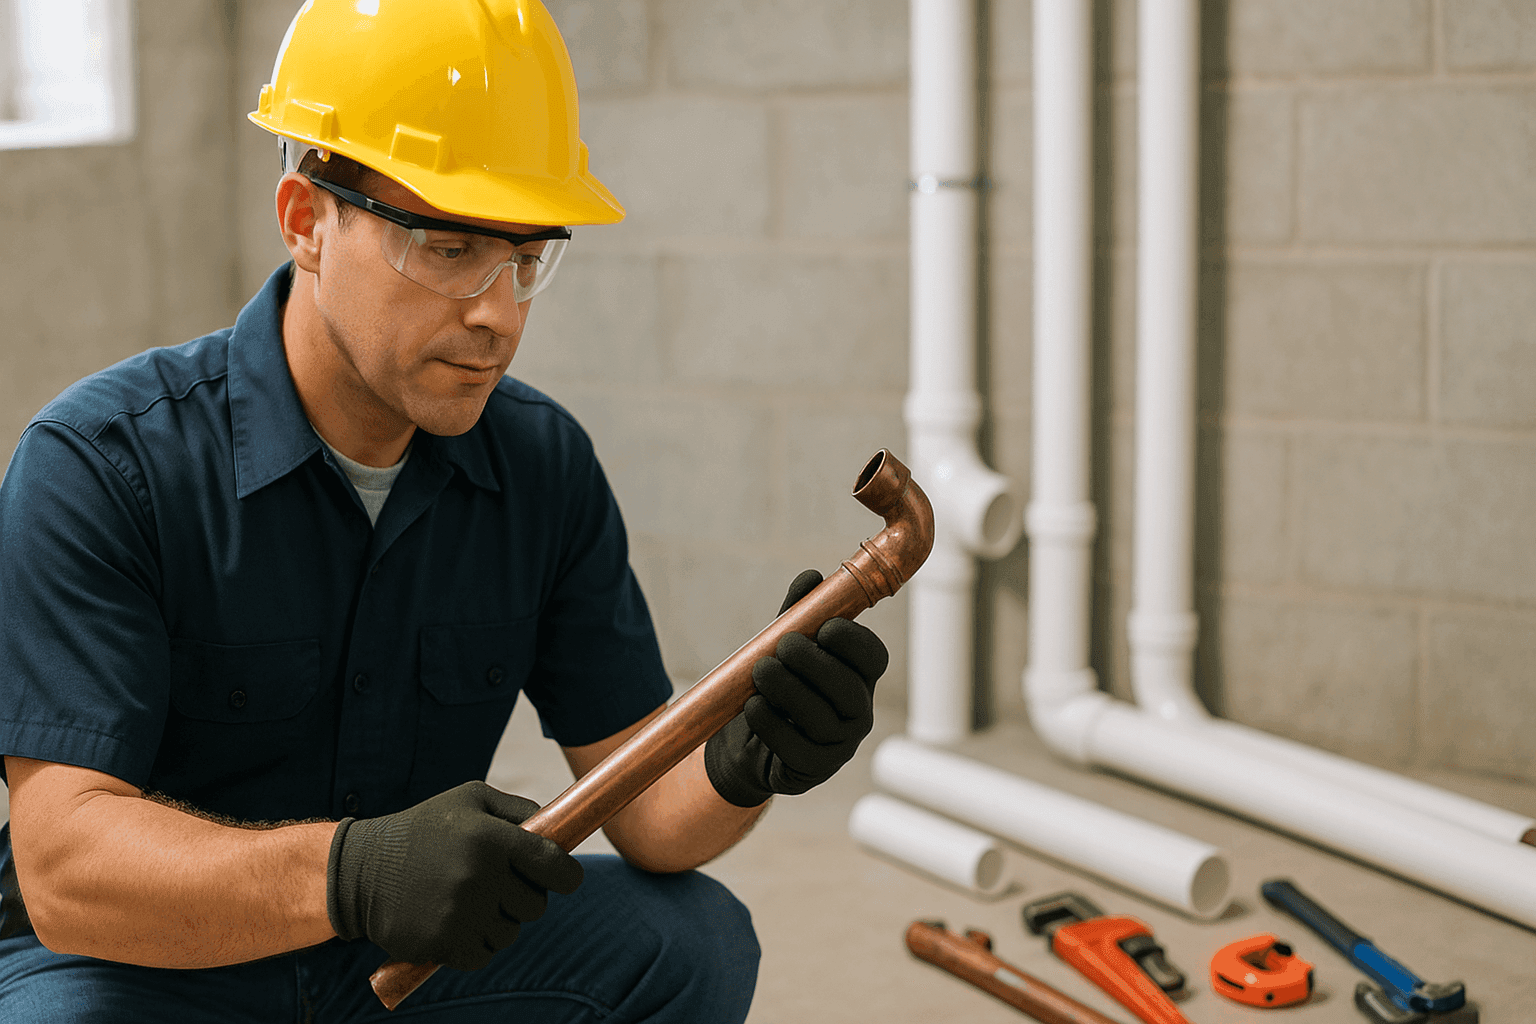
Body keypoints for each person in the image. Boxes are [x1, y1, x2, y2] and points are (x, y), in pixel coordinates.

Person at [0, 2, 888, 1021]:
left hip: (401, 962)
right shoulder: (103, 467)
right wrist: (351, 872)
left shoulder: (541, 467)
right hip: (145, 967)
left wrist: (747, 761)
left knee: (692, 942)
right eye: (450, 247)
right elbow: (67, 868)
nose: (498, 313)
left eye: (525, 257)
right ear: (305, 221)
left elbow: (647, 816)